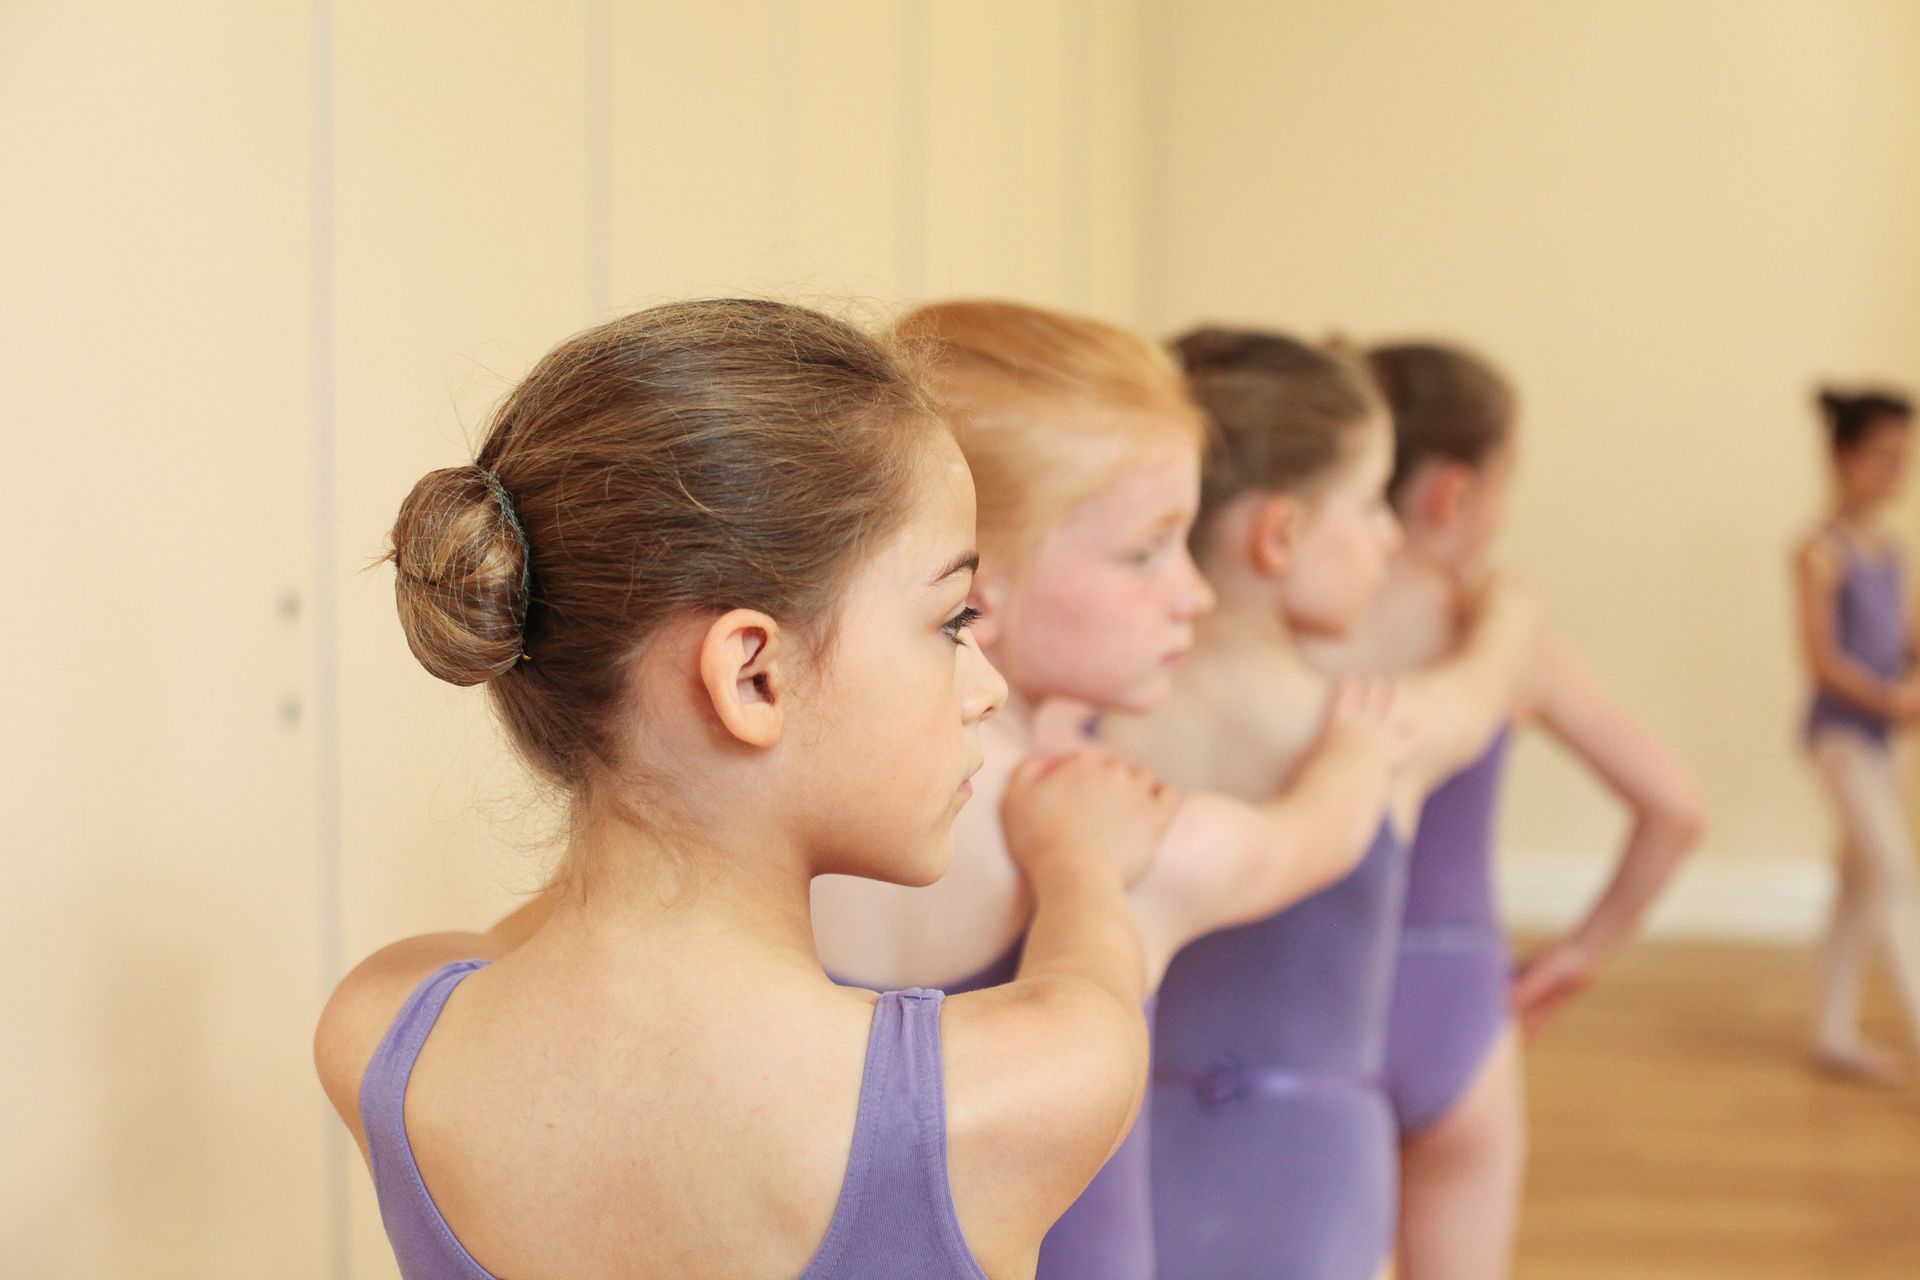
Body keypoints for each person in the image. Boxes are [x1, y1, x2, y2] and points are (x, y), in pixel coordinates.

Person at [313, 299, 1179, 1280]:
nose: (987, 685)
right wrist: (1082, 864)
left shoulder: (380, 1031)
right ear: (753, 675)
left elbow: (574, 919)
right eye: (950, 618)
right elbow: (1091, 990)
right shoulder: (1020, 1088)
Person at [1309, 341, 1705, 1279]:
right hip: (1456, 1010)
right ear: (1453, 495)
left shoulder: (1287, 628)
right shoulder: (1502, 642)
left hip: (1315, 1013)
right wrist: (1586, 950)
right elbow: (1675, 808)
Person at [1795, 385, 1920, 1085]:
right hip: (1841, 738)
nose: (1896, 472)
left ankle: (1833, 1032)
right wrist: (1890, 701)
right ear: (1842, 457)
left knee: (1858, 885)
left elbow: (1905, 636)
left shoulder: (1891, 549)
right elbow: (1822, 661)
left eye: (1905, 459)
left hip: (1880, 741)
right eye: (1883, 457)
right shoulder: (1820, 550)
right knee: (1896, 877)